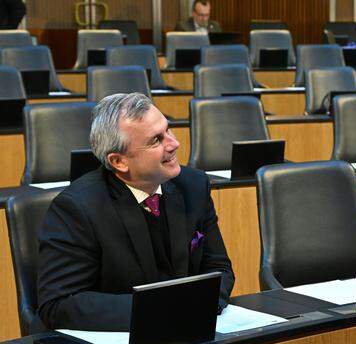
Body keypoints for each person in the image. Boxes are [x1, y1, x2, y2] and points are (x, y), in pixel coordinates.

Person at [37, 93, 235, 331]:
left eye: (168, 130)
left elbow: (220, 269)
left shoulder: (193, 186)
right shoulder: (78, 208)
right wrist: (161, 310)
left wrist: (195, 306)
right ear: (119, 161)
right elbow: (58, 304)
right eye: (156, 140)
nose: (174, 144)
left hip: (189, 333)